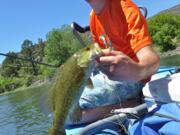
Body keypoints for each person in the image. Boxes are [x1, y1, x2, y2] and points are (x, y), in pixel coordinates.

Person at [78, 0, 160, 124]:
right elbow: (100, 53)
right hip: (108, 77)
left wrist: (136, 71)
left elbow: (153, 60)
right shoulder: (93, 16)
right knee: (59, 103)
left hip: (135, 80)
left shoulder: (125, 8)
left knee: (69, 114)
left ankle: (135, 102)